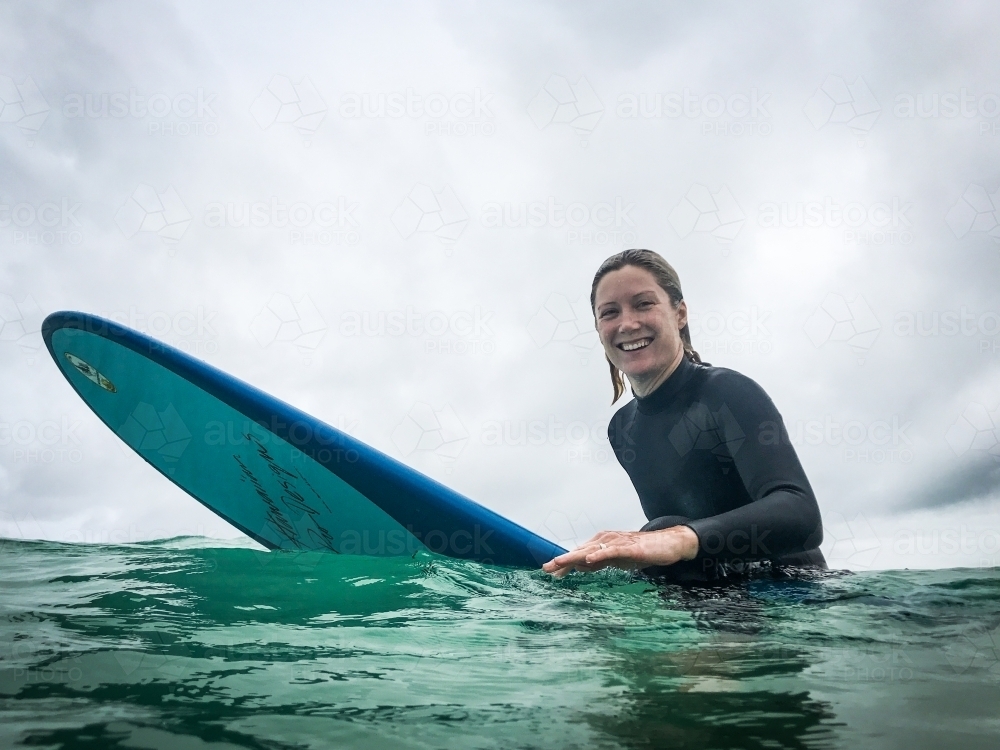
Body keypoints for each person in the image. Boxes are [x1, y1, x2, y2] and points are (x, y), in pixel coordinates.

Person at [542, 249, 826, 581]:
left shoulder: (727, 393)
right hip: (715, 599)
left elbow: (802, 515)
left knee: (661, 529)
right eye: (610, 312)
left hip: (794, 590)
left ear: (680, 314)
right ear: (598, 328)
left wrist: (674, 539)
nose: (627, 323)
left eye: (644, 304)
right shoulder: (622, 429)